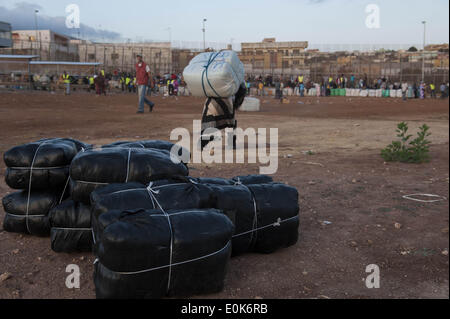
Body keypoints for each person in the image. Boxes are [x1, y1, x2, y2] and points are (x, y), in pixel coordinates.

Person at [200, 83, 246, 150]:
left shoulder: (211, 80)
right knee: (230, 124)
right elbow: (242, 91)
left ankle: (202, 143)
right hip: (227, 103)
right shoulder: (233, 80)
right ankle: (231, 144)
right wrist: (236, 104)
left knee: (209, 124)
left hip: (212, 103)